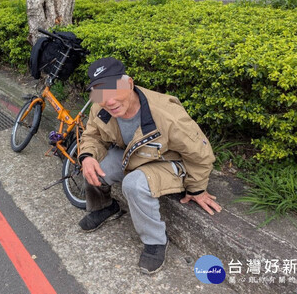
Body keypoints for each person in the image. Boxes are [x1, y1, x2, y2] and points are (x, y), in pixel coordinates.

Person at [78, 57, 222, 274]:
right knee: (93, 167)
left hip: (166, 160)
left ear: (129, 84)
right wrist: (87, 156)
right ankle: (105, 207)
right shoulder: (100, 106)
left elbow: (201, 153)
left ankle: (155, 242)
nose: (108, 101)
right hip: (133, 154)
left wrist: (197, 188)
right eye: (101, 92)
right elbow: (92, 135)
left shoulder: (166, 114)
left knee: (134, 184)